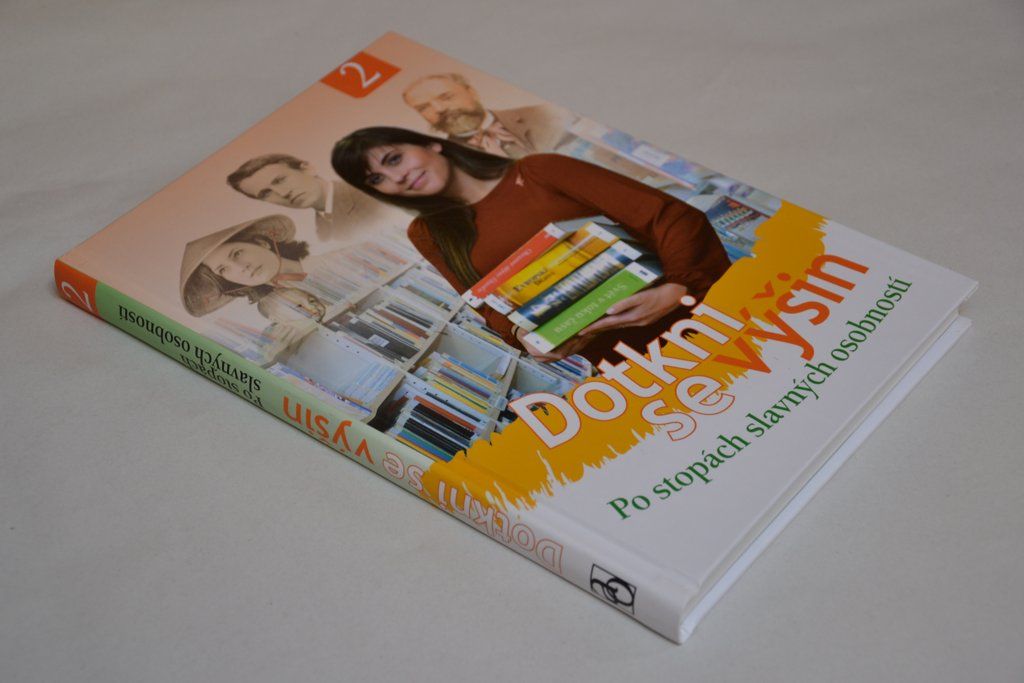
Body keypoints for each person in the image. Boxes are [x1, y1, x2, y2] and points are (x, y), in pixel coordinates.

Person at [331, 127, 732, 365]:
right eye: (377, 179)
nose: (397, 178)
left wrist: (677, 289)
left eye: (394, 159)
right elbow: (489, 307)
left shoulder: (540, 169)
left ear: (429, 144)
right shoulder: (427, 233)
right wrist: (525, 338)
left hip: (699, 312)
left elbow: (668, 216)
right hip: (624, 356)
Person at [179, 214, 370, 317]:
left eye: (237, 253)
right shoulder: (273, 309)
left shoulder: (345, 257)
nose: (240, 267)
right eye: (223, 269)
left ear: (262, 242)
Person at [226, 153, 400, 243]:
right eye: (266, 193)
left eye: (280, 180)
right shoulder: (323, 230)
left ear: (307, 168)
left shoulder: (370, 195)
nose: (283, 193)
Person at [402, 74, 574, 158]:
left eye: (446, 97)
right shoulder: (448, 161)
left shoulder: (545, 115)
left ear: (472, 92)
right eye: (424, 108)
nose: (439, 109)